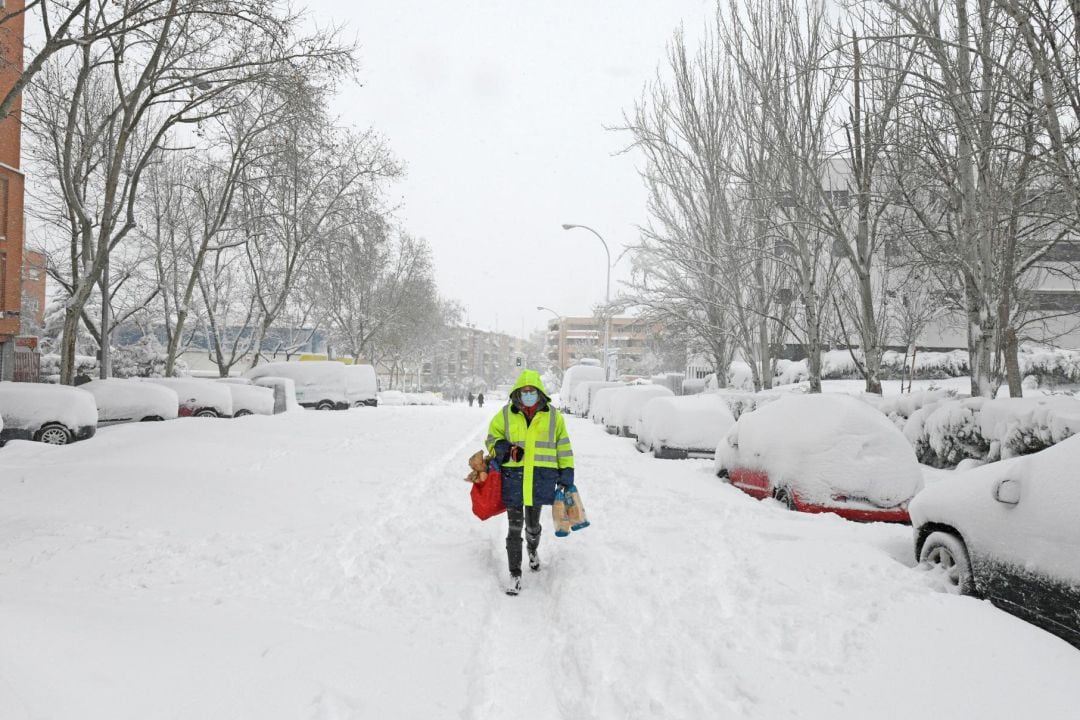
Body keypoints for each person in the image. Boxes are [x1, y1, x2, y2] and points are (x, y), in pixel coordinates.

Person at [485, 369, 575, 595]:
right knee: (514, 528)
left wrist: (566, 476)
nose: (527, 395)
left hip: (539, 481)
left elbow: (563, 447)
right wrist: (505, 449)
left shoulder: (554, 416)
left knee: (532, 526)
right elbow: (491, 438)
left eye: (531, 391)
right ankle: (515, 574)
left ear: (539, 393)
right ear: (517, 393)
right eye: (523, 391)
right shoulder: (505, 414)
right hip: (513, 481)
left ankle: (532, 549)